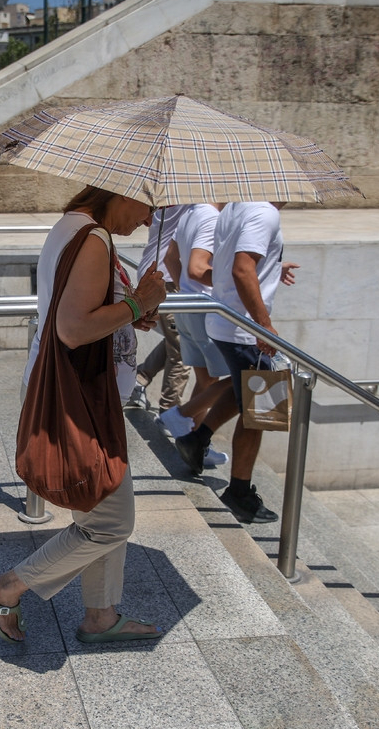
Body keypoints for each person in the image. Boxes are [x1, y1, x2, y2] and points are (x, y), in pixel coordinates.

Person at [0, 186, 168, 644]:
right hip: (80, 401)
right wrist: (139, 302)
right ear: (123, 192)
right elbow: (74, 328)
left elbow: (81, 311)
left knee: (99, 517)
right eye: (149, 207)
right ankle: (4, 588)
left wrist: (130, 311)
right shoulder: (93, 238)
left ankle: (100, 616)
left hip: (83, 395)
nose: (146, 220)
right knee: (112, 523)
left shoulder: (74, 227)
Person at [201, 201, 298, 524]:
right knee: (262, 413)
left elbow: (236, 262)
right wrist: (264, 326)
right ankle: (239, 491)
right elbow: (242, 268)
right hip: (245, 330)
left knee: (243, 393)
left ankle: (195, 440)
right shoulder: (265, 212)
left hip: (227, 321)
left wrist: (273, 267)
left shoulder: (235, 207)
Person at [156, 203, 234, 475]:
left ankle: (196, 443)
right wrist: (235, 279)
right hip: (205, 311)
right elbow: (199, 268)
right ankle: (180, 416)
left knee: (206, 380)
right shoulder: (212, 218)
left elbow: (169, 256)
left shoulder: (191, 212)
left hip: (189, 304)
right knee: (237, 379)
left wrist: (183, 288)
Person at [125, 207, 189, 413]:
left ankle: (140, 378)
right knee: (183, 347)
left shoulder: (165, 199)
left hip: (156, 271)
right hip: (168, 278)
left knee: (177, 339)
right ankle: (169, 411)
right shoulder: (188, 201)